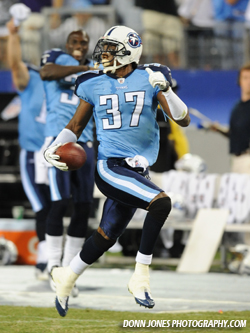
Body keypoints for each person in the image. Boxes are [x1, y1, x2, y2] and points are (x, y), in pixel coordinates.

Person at [44, 25, 190, 317]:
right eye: (104, 47)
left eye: (111, 48)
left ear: (129, 50)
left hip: (136, 170)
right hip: (109, 166)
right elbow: (75, 128)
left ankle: (66, 277)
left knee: (106, 235)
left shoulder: (150, 77)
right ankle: (141, 276)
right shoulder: (92, 82)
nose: (104, 54)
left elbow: (182, 119)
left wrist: (167, 90)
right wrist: (53, 148)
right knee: (161, 203)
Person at [40, 29, 96, 296]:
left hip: (85, 145)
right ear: (66, 44)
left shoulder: (96, 72)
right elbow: (46, 73)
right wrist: (83, 68)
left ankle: (68, 271)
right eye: (75, 41)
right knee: (60, 202)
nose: (79, 45)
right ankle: (52, 265)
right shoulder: (56, 59)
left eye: (83, 43)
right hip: (58, 141)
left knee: (84, 206)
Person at [6, 17, 51, 279]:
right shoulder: (31, 79)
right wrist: (14, 35)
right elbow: (14, 64)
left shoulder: (66, 82)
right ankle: (46, 256)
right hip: (34, 152)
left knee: (58, 204)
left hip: (57, 153)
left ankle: (54, 256)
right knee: (42, 205)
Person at [209, 62, 250, 173]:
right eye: (245, 78)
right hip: (236, 159)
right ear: (239, 81)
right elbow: (234, 134)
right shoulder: (236, 108)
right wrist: (219, 130)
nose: (248, 82)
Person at [135, 0, 184, 68]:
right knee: (170, 51)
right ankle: (174, 75)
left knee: (160, 51)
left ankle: (163, 74)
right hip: (167, 14)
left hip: (152, 15)